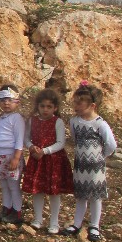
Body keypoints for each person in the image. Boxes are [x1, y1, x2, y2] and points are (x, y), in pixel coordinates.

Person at [61, 83, 116, 242]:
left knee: (95, 196)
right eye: (75, 102)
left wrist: (100, 156)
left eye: (80, 103)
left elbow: (111, 145)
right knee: (80, 195)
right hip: (80, 165)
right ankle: (77, 223)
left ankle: (94, 225)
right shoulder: (74, 122)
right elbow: (75, 138)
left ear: (92, 105)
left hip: (96, 167)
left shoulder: (100, 124)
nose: (76, 106)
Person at [22, 89, 74, 234]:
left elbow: (61, 143)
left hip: (53, 160)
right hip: (37, 159)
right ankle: (38, 219)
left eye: (49, 107)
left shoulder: (57, 122)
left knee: (54, 192)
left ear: (55, 108)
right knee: (37, 190)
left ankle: (54, 222)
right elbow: (26, 138)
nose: (45, 109)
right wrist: (31, 147)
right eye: (42, 106)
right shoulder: (32, 121)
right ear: (37, 106)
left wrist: (44, 151)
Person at [0, 85, 25, 223]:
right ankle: (6, 208)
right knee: (3, 185)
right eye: (3, 100)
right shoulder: (1, 118)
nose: (6, 103)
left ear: (17, 101)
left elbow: (19, 139)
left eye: (10, 100)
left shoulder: (17, 118)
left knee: (13, 185)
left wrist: (16, 157)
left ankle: (17, 212)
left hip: (11, 157)